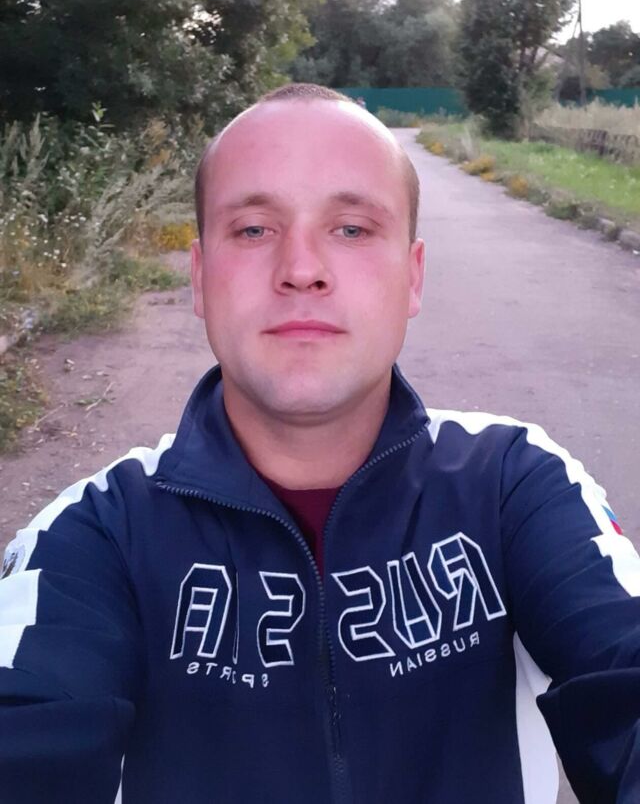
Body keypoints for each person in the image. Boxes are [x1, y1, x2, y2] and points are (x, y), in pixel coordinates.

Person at [1, 83, 639, 804]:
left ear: (413, 277)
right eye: (253, 229)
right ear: (201, 279)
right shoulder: (96, 533)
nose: (301, 269)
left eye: (352, 229)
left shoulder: (514, 484)